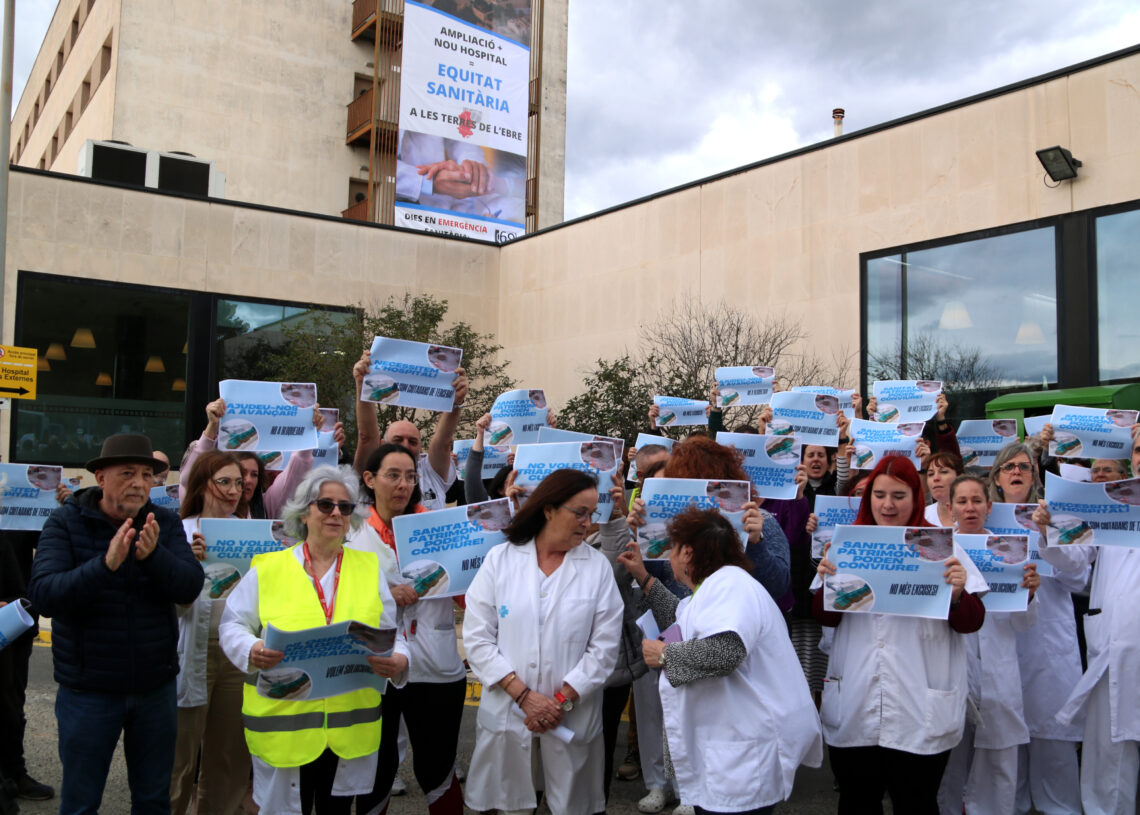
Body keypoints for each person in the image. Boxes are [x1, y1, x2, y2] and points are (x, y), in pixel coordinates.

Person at [28, 433, 205, 814]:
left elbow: (190, 586)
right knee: (80, 802)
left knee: (153, 800)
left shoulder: (165, 524)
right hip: (88, 692)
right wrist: (104, 566)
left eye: (147, 474)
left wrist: (153, 556)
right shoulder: (65, 523)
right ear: (100, 477)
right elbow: (44, 594)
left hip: (155, 690)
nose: (140, 483)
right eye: (127, 473)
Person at [219, 465, 409, 815]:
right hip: (286, 730)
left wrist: (399, 660)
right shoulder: (268, 569)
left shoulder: (369, 569)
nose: (336, 513)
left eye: (345, 507)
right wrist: (251, 648)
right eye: (325, 505)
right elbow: (232, 625)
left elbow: (391, 634)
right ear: (304, 513)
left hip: (347, 733)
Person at [619, 506, 822, 815]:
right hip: (727, 756)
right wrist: (644, 578)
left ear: (687, 552)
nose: (669, 557)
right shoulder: (717, 587)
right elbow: (683, 620)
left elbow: (725, 651)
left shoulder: (730, 586)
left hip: (739, 761)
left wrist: (663, 654)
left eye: (672, 548)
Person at [813, 454, 987, 814]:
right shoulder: (846, 546)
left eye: (899, 495)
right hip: (857, 701)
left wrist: (956, 595)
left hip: (919, 706)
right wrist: (827, 585)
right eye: (879, 495)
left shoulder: (942, 547)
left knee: (917, 803)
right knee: (857, 802)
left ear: (916, 497)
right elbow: (824, 619)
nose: (887, 505)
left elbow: (971, 622)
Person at [462, 468, 624, 815]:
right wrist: (523, 696)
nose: (587, 522)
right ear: (549, 509)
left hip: (570, 715)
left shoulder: (596, 568)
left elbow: (605, 649)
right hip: (509, 712)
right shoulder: (501, 560)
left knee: (571, 806)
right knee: (508, 806)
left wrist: (558, 704)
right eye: (579, 512)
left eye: (592, 514)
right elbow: (477, 637)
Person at [351, 444, 465, 814]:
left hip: (434, 666)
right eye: (393, 475)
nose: (404, 484)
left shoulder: (439, 529)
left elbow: (469, 594)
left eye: (411, 476)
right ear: (369, 479)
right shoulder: (351, 534)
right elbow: (336, 592)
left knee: (438, 767)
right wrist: (385, 593)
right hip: (376, 668)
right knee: (376, 768)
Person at [1034, 430, 1140, 815]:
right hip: (1112, 652)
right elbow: (1077, 568)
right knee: (1109, 765)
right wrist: (1051, 533)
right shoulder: (1107, 508)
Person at [988, 442, 1086, 815]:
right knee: (1004, 756)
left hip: (1049, 644)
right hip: (1002, 640)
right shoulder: (980, 516)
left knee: (1054, 748)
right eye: (1009, 467)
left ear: (1035, 475)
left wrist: (1047, 536)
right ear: (996, 477)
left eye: (1025, 467)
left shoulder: (1058, 515)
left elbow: (1080, 575)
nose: (1017, 473)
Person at [937, 475, 1040, 815]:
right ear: (950, 508)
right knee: (949, 762)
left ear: (989, 506)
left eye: (977, 501)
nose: (970, 508)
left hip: (999, 668)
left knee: (999, 761)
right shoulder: (938, 553)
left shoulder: (1010, 552)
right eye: (962, 502)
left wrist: (1030, 593)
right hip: (952, 664)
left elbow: (1024, 624)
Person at [170, 451, 250, 815]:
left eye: (240, 482)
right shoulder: (176, 534)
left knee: (228, 757)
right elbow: (167, 606)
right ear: (203, 484)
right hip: (191, 651)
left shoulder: (253, 534)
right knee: (179, 759)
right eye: (225, 482)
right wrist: (187, 566)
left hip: (236, 653)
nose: (235, 490)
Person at [353, 349, 468, 511]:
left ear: (421, 448)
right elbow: (367, 437)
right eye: (398, 439)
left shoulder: (430, 471)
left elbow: (442, 442)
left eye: (413, 441)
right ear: (383, 444)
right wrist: (362, 384)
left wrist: (455, 402)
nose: (405, 445)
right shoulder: (372, 471)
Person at [180, 397, 333, 518]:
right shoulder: (203, 505)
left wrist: (307, 434)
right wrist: (212, 426)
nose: (247, 481)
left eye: (254, 474)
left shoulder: (265, 506)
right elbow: (191, 478)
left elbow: (294, 475)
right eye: (241, 473)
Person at [923, 452, 964, 527]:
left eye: (943, 472)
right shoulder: (923, 516)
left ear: (960, 478)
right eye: (931, 474)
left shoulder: (977, 513)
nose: (935, 478)